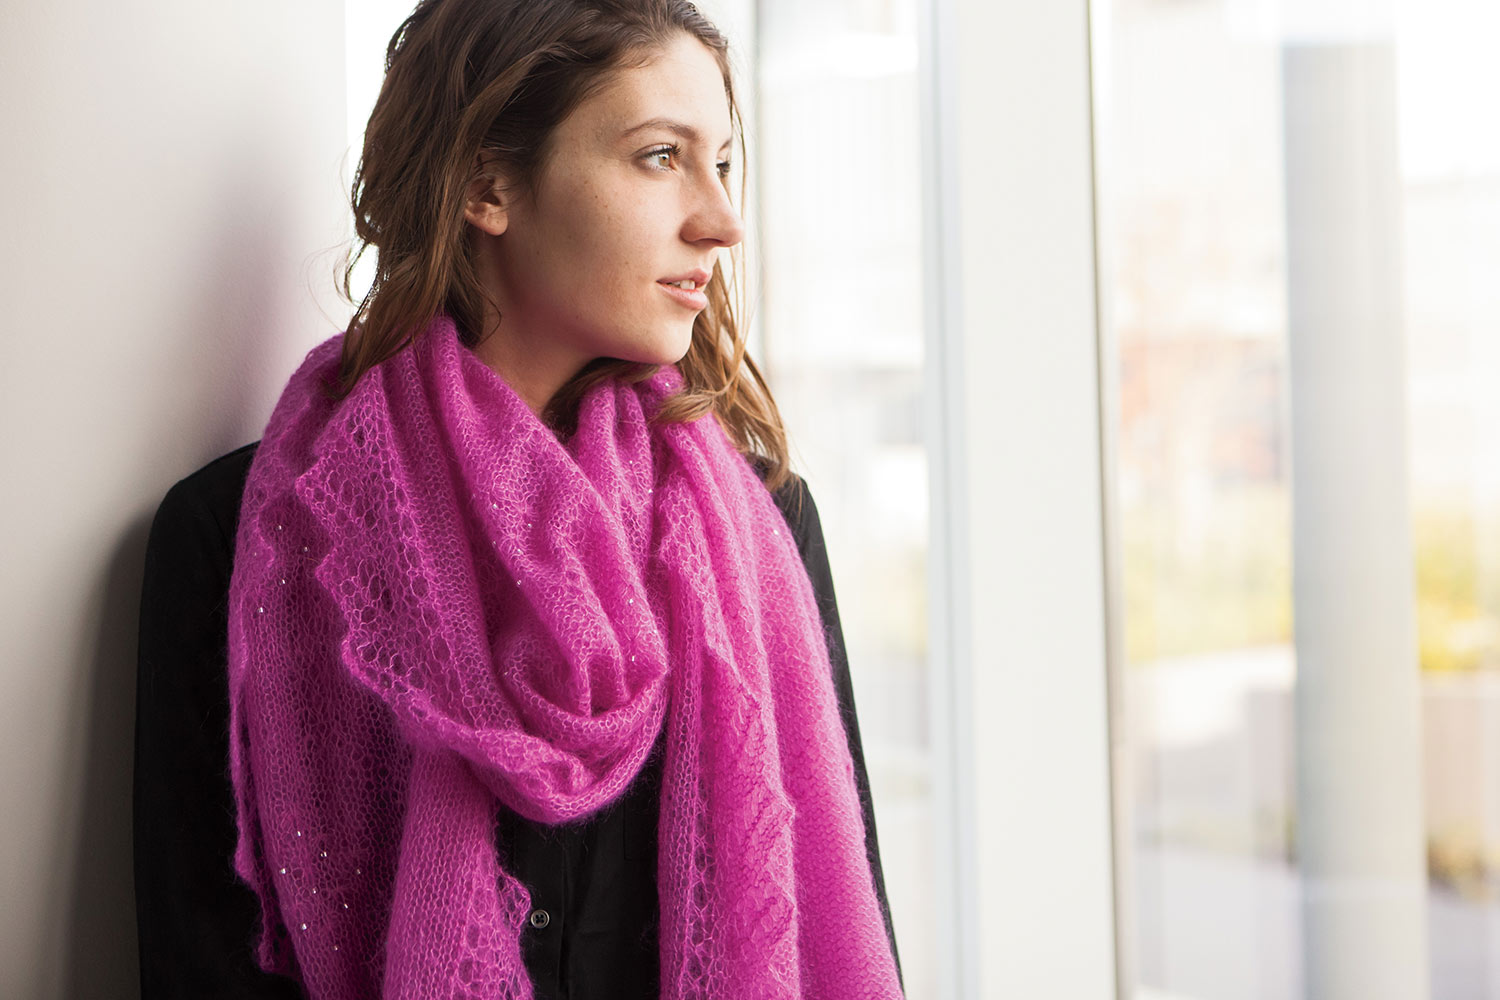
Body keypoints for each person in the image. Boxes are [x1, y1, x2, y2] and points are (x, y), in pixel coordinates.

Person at [133, 1, 904, 998]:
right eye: (660, 156)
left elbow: (846, 909)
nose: (721, 218)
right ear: (489, 183)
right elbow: (198, 962)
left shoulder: (762, 521)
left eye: (722, 162)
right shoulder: (245, 535)